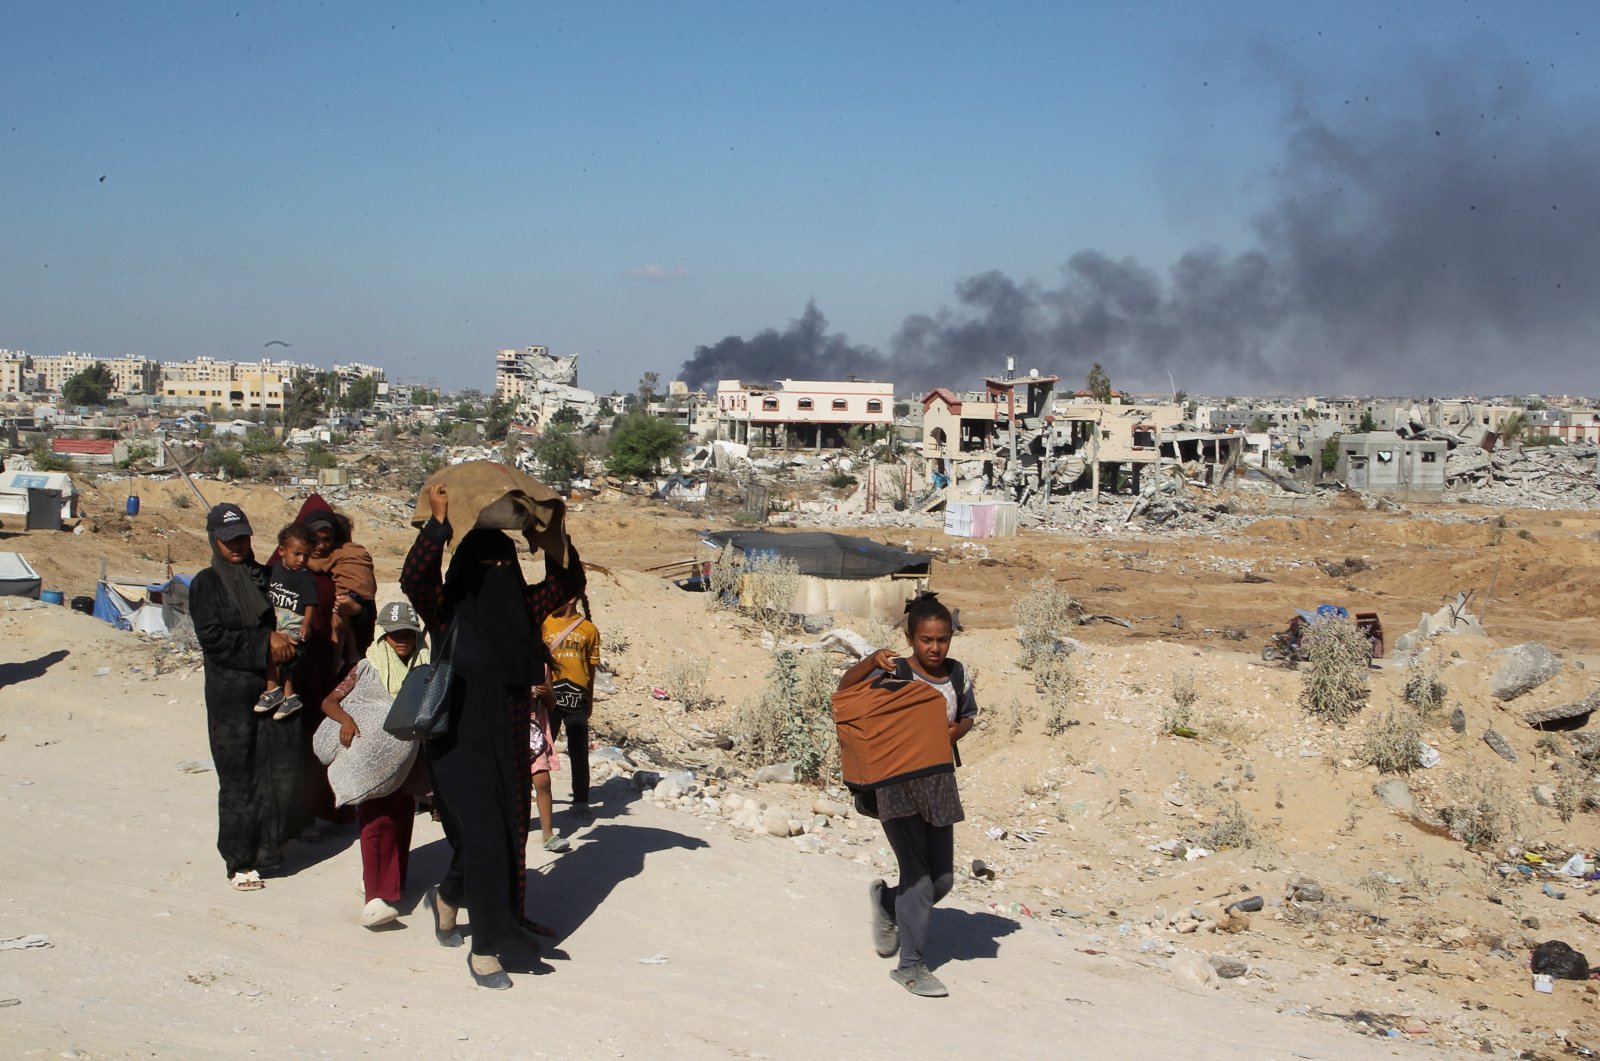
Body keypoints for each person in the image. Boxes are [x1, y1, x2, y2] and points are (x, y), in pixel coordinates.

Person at [401, 482, 585, 989]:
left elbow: (567, 582)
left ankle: (448, 897)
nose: (499, 574)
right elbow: (414, 577)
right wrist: (439, 525)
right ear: (467, 569)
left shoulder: (522, 608)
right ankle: (486, 948)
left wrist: (551, 534)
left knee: (501, 838)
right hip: (458, 743)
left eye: (506, 565)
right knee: (483, 838)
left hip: (506, 742)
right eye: (488, 566)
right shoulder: (447, 609)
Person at [836, 592, 976, 998]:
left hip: (937, 781)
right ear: (910, 637)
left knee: (942, 880)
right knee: (917, 875)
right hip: (895, 784)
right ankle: (911, 966)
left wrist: (951, 734)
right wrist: (868, 661)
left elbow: (966, 716)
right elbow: (845, 693)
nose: (935, 648)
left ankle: (886, 902)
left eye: (943, 639)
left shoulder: (956, 674)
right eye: (926, 640)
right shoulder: (894, 672)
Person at [190, 503, 307, 892]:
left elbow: (292, 615)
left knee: (276, 773)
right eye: (228, 540)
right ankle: (239, 860)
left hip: (275, 691)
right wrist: (264, 642)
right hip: (231, 699)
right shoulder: (206, 584)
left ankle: (270, 851)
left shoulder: (267, 577)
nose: (236, 546)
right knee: (238, 778)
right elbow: (214, 639)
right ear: (214, 541)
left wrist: (288, 643)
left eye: (241, 537)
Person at [319, 601, 431, 929]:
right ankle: (374, 899)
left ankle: (391, 886)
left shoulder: (425, 669)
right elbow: (330, 702)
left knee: (400, 818)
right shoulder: (367, 667)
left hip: (407, 760)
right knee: (373, 821)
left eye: (408, 635)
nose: (402, 641)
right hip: (369, 758)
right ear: (383, 635)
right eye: (395, 634)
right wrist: (346, 721)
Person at [542, 593, 601, 821]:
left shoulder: (589, 630)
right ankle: (533, 789)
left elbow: (592, 668)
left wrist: (591, 698)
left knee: (578, 750)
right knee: (541, 748)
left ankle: (581, 800)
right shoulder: (545, 624)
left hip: (577, 697)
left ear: (572, 598)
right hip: (550, 696)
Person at [304, 508, 378, 671]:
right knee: (347, 624)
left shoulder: (335, 554)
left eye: (327, 539)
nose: (321, 546)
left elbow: (316, 566)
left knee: (337, 623)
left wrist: (301, 555)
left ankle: (337, 659)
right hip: (365, 598)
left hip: (350, 598)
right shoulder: (359, 549)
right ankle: (351, 655)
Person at [259, 523, 318, 721]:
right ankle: (289, 696)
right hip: (277, 623)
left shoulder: (305, 579)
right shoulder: (273, 570)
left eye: (306, 556)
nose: (301, 560)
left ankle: (272, 689)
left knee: (277, 653)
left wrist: (306, 625)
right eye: (297, 554)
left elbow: (310, 604)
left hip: (293, 625)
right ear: (282, 551)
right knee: (277, 653)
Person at [529, 674, 569, 853]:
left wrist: (545, 692)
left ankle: (548, 833)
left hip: (535, 733)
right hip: (510, 730)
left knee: (543, 782)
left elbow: (552, 703)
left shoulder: (541, 666)